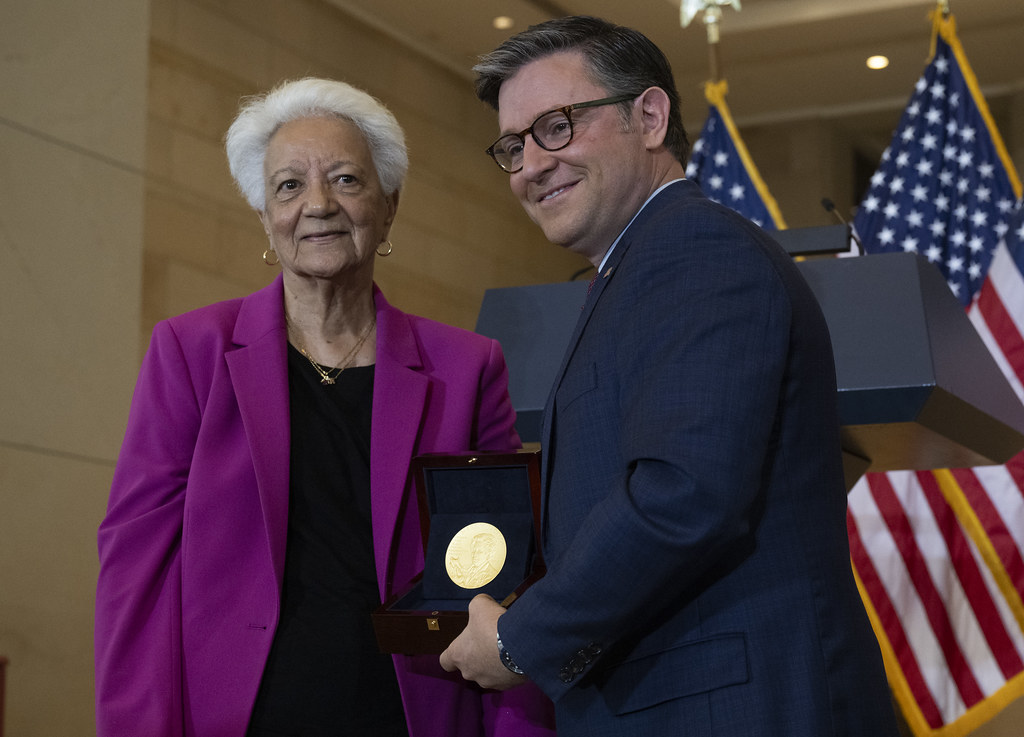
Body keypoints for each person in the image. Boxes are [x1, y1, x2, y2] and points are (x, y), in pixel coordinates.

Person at [440, 16, 900, 736]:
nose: (530, 164)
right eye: (513, 145)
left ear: (649, 117)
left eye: (556, 126)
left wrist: (518, 638)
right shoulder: (635, 270)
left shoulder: (697, 249)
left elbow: (683, 493)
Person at [95, 77, 554, 737]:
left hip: (414, 712)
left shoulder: (468, 368)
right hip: (239, 716)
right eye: (288, 185)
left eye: (345, 179)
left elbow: (506, 581)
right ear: (265, 217)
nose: (317, 205)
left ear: (388, 206)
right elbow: (135, 573)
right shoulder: (190, 352)